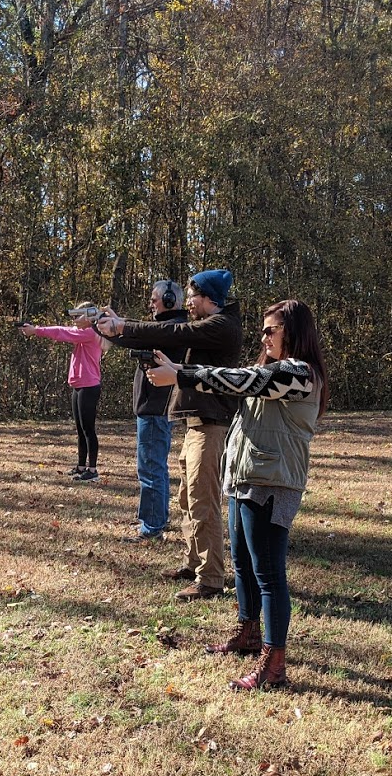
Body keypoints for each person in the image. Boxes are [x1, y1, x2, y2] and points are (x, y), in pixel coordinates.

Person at [144, 299, 327, 691]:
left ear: (293, 332)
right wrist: (180, 371)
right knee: (243, 565)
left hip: (272, 483)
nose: (263, 336)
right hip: (246, 476)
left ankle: (274, 666)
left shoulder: (300, 374)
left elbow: (244, 381)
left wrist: (182, 375)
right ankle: (247, 634)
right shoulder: (270, 370)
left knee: (269, 575)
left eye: (270, 329)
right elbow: (242, 379)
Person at [95, 270, 242, 600]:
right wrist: (119, 330)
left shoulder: (220, 326)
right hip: (196, 424)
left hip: (211, 424)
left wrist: (122, 326)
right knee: (187, 500)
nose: (189, 302)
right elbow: (163, 333)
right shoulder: (209, 325)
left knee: (203, 503)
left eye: (193, 296)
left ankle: (211, 579)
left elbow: (173, 331)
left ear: (208, 299)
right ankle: (194, 565)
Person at [19, 303, 108, 482]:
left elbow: (61, 332)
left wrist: (36, 330)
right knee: (80, 430)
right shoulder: (85, 333)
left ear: (90, 317)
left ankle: (92, 470)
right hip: (80, 385)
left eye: (78, 316)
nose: (74, 320)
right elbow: (65, 330)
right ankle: (81, 466)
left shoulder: (91, 333)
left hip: (89, 386)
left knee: (88, 429)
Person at [129, 280, 188, 542]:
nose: (152, 304)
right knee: (154, 466)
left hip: (155, 408)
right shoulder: (168, 328)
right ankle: (156, 518)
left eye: (155, 299)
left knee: (150, 468)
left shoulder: (169, 329)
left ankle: (152, 525)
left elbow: (136, 333)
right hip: (153, 407)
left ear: (169, 299)